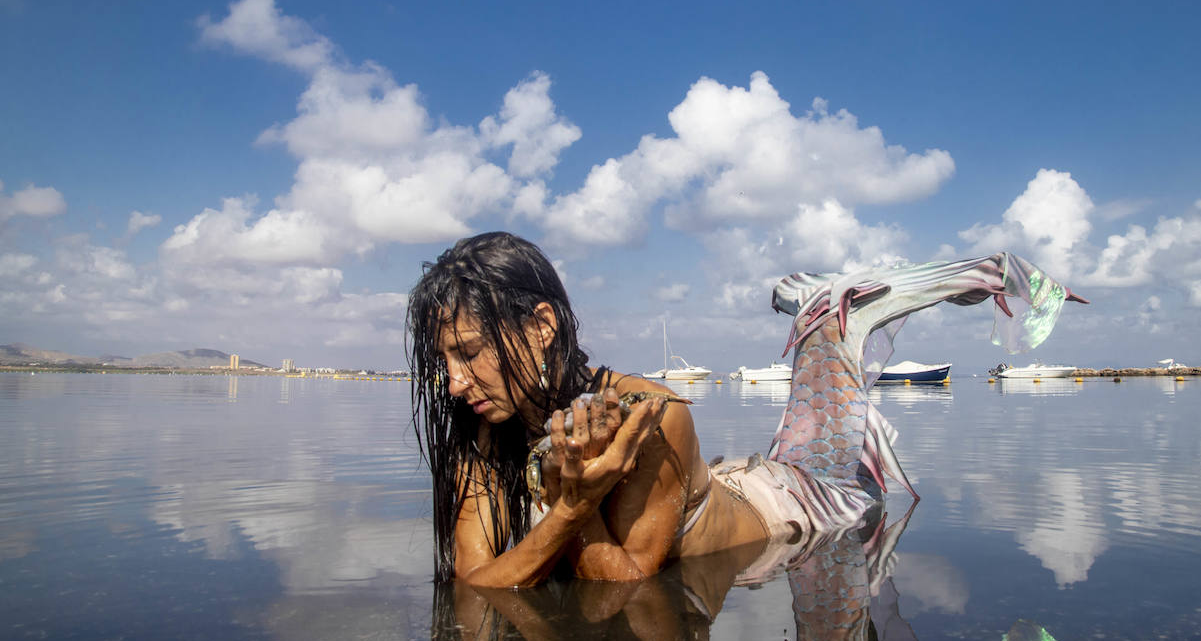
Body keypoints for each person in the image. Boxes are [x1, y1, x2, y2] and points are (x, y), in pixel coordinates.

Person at [408, 232, 1085, 588]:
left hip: (794, 504)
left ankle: (842, 307)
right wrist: (574, 505)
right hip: (726, 484)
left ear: (542, 325)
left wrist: (573, 505)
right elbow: (477, 585)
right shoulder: (480, 436)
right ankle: (823, 309)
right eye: (445, 362)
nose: (456, 381)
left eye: (469, 353)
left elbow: (625, 582)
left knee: (854, 510)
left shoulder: (649, 413)